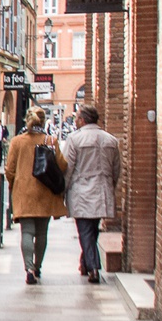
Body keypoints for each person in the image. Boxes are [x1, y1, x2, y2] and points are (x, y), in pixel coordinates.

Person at [4, 107, 67, 285]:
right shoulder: (51, 140)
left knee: (27, 232)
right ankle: (38, 267)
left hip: (24, 192)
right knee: (42, 233)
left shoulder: (17, 141)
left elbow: (10, 169)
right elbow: (62, 165)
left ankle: (29, 269)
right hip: (45, 192)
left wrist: (14, 184)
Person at [61, 105, 120, 284]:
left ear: (84, 120)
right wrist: (110, 186)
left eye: (78, 118)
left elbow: (67, 168)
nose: (76, 121)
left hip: (81, 190)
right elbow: (116, 168)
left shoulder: (75, 139)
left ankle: (94, 268)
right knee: (92, 229)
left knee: (85, 231)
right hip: (102, 190)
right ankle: (86, 263)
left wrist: (63, 190)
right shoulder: (111, 140)